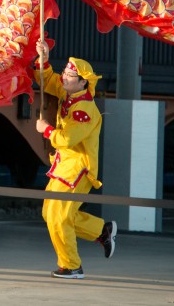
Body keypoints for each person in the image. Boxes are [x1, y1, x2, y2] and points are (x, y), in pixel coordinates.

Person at [34, 42, 117, 279]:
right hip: (64, 166)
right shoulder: (68, 93)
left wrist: (46, 130)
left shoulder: (85, 109)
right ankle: (102, 231)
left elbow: (68, 139)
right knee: (51, 213)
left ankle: (71, 265)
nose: (65, 78)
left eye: (71, 76)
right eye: (66, 73)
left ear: (83, 82)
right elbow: (46, 79)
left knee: (59, 216)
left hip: (78, 169)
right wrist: (44, 59)